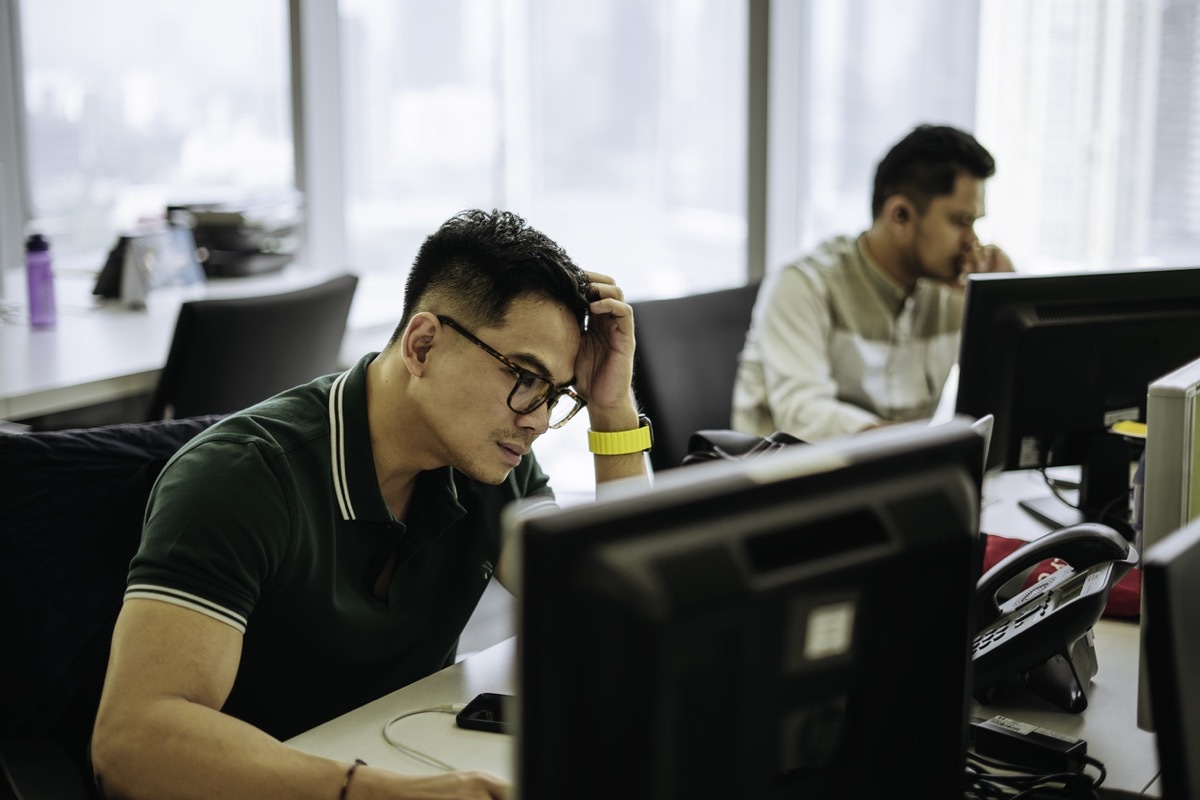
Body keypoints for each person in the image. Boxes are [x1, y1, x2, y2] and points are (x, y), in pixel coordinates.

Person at [90, 209, 651, 799]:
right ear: (424, 344)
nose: (537, 420)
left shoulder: (490, 464)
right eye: (525, 378)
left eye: (556, 394)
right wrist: (385, 793)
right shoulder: (238, 477)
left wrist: (611, 408)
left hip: (399, 757)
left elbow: (614, 617)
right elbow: (131, 741)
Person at [731, 123, 1014, 442]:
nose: (972, 241)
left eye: (975, 223)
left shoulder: (953, 291)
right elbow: (802, 415)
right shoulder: (804, 284)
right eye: (961, 222)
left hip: (891, 479)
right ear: (900, 216)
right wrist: (909, 447)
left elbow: (1005, 405)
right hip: (787, 480)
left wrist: (999, 308)